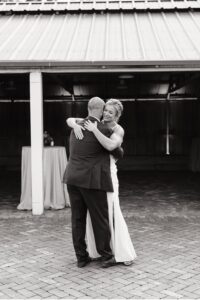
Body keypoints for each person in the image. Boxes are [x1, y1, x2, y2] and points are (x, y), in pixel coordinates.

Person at [68, 98, 137, 267]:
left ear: (117, 115)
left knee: (110, 213)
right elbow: (71, 119)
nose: (106, 113)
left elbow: (113, 146)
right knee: (100, 217)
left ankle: (120, 252)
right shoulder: (95, 126)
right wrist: (73, 123)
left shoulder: (114, 129)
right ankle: (104, 253)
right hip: (94, 177)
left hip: (104, 174)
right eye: (105, 110)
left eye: (110, 112)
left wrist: (89, 128)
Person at [63, 97, 116, 268]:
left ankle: (81, 257)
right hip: (91, 181)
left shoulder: (75, 127)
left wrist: (72, 122)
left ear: (87, 108)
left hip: (72, 178)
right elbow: (117, 151)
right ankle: (106, 256)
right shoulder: (102, 129)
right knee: (100, 219)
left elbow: (71, 121)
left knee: (77, 220)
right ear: (101, 111)